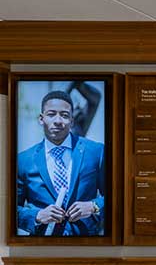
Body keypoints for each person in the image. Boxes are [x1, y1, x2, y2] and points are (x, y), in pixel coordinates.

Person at [15, 90, 106, 236]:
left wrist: (94, 206)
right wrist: (37, 216)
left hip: (88, 245)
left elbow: (119, 196)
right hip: (41, 248)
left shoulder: (96, 152)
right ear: (41, 119)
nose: (58, 120)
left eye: (64, 115)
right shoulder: (23, 160)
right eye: (51, 114)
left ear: (72, 121)